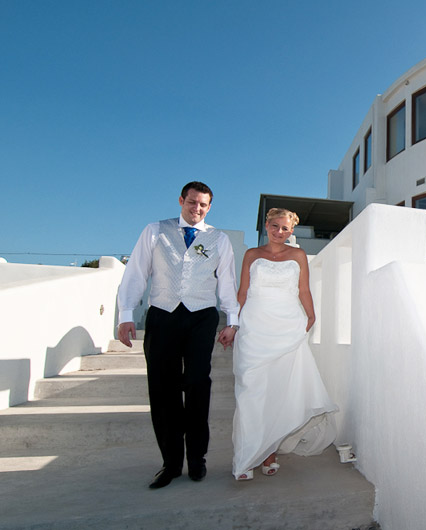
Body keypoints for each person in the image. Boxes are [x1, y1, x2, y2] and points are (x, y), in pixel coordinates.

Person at [117, 181, 240, 489]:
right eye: (192, 202)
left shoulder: (219, 239)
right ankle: (171, 463)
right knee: (163, 390)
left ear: (209, 207)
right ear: (181, 200)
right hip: (162, 316)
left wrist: (232, 320)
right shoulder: (155, 230)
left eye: (203, 204)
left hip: (201, 317)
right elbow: (136, 272)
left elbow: (226, 281)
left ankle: (197, 459)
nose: (196, 208)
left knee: (198, 385)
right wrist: (126, 314)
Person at [231, 208, 338, 481]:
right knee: (251, 392)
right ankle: (245, 458)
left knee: (279, 391)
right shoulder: (252, 255)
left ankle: (268, 453)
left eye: (286, 229)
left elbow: (303, 289)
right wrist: (233, 325)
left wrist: (311, 315)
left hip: (288, 327)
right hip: (255, 329)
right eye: (275, 226)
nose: (280, 232)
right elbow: (242, 292)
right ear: (266, 226)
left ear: (292, 231)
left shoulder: (298, 255)